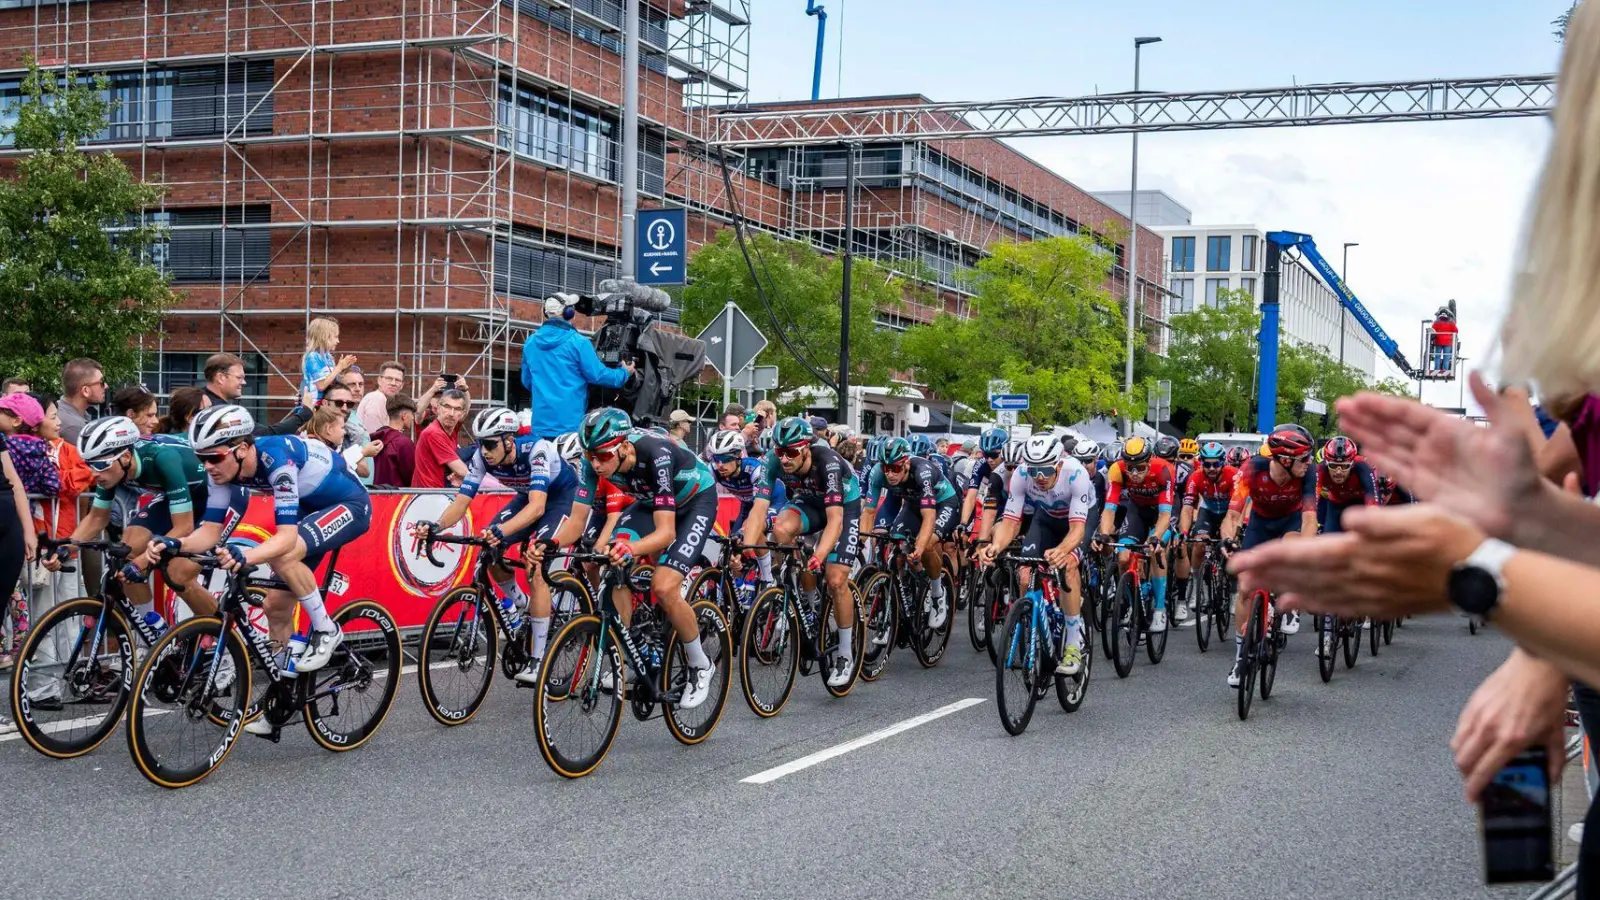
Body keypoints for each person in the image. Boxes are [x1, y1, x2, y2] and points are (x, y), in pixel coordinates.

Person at [167, 405, 369, 698]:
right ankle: (282, 693)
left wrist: (245, 556)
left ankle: (327, 629)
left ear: (241, 449)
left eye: (213, 458)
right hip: (309, 509)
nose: (207, 466)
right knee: (275, 607)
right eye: (202, 458)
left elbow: (286, 538)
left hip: (348, 504)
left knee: (283, 554)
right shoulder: (224, 471)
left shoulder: (277, 459)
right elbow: (210, 531)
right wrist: (177, 544)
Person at [546, 408, 720, 708]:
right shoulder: (593, 461)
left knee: (664, 587)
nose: (595, 463)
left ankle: (700, 664)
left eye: (602, 456)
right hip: (650, 501)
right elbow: (576, 523)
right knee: (615, 567)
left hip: (694, 502)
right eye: (589, 456)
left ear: (624, 446)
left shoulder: (656, 454)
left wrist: (631, 549)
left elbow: (666, 533)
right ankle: (629, 650)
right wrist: (549, 543)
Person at [416, 408, 578, 683]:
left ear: (508, 440)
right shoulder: (482, 457)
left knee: (535, 566)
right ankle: (521, 604)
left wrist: (501, 531)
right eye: (481, 443)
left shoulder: (535, 450)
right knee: (489, 550)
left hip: (559, 499)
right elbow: (462, 502)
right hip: (528, 497)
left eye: (491, 443)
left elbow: (538, 508)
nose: (485, 450)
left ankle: (538, 660)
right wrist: (437, 526)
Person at [746, 417, 862, 689]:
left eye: (792, 452)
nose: (784, 459)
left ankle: (845, 653)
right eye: (780, 451)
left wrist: (819, 556)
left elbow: (835, 521)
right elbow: (759, 509)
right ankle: (807, 605)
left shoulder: (828, 462)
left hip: (843, 507)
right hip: (809, 502)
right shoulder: (773, 462)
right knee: (781, 530)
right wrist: (748, 547)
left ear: (807, 449)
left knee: (835, 580)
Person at [979, 433, 1095, 675]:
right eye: (1034, 470)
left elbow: (1077, 530)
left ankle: (1073, 644)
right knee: (1024, 574)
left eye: (1045, 470)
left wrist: (1062, 550)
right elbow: (1011, 522)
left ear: (1058, 464)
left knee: (1068, 566)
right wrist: (995, 546)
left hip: (1078, 521)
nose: (1039, 478)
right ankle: (1031, 628)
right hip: (1046, 519)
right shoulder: (1021, 475)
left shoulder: (1076, 474)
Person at [1218, 427, 1316, 687]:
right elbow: (1233, 514)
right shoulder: (1253, 468)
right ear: (1285, 460)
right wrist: (1228, 538)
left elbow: (1309, 519)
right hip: (1260, 524)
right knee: (1246, 588)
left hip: (1291, 523)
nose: (1309, 463)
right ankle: (1241, 657)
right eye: (1304, 458)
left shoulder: (1308, 474)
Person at [519, 293, 633, 439]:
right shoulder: (579, 342)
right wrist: (624, 372)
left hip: (540, 427)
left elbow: (527, 381)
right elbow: (598, 375)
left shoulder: (531, 342)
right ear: (569, 312)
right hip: (570, 428)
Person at [1094, 437, 1176, 632]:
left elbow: (1165, 514)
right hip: (1137, 511)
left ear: (1149, 462)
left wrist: (1156, 536)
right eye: (1130, 467)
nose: (1134, 473)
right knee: (1123, 557)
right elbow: (1109, 509)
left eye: (1139, 468)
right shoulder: (1117, 470)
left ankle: (1159, 609)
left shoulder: (1164, 470)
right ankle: (1131, 601)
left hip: (1159, 512)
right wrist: (1104, 534)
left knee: (1156, 550)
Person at [202, 352, 312, 436]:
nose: (244, 383)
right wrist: (305, 413)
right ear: (221, 378)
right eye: (239, 378)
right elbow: (267, 434)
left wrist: (299, 410)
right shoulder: (217, 410)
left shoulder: (203, 399)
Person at [357, 360, 439, 435]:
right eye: (389, 378)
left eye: (397, 380)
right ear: (379, 380)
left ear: (402, 385)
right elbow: (374, 438)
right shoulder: (377, 398)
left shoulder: (383, 400)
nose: (393, 383)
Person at [411, 388, 469, 489]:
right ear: (438, 408)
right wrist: (498, 486)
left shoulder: (452, 429)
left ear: (462, 414)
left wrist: (466, 390)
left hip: (439, 495)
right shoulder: (433, 433)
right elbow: (463, 471)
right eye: (447, 406)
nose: (451, 413)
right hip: (428, 497)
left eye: (457, 409)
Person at [301, 316, 358, 403]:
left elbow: (331, 383)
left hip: (327, 404)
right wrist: (339, 368)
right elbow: (321, 386)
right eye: (335, 337)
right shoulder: (312, 357)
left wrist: (344, 368)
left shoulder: (328, 357)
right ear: (324, 337)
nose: (338, 341)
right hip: (314, 407)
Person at [370, 394, 418, 489]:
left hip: (375, 494)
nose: (413, 418)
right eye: (412, 414)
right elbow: (411, 475)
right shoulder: (403, 443)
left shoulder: (375, 438)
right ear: (404, 415)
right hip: (396, 496)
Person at [57, 358, 105, 445]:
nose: (106, 386)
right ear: (85, 391)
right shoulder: (73, 427)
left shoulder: (62, 409)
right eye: (101, 382)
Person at [337, 368, 372, 447]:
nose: (358, 389)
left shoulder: (355, 414)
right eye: (352, 384)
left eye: (360, 384)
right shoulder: (339, 416)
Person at [1429, 305, 1458, 375]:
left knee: (1438, 356)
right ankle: (1444, 370)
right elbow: (1456, 331)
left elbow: (1432, 331)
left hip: (1440, 342)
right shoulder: (1451, 323)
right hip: (1446, 342)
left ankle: (1437, 369)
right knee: (1446, 357)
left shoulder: (1437, 322)